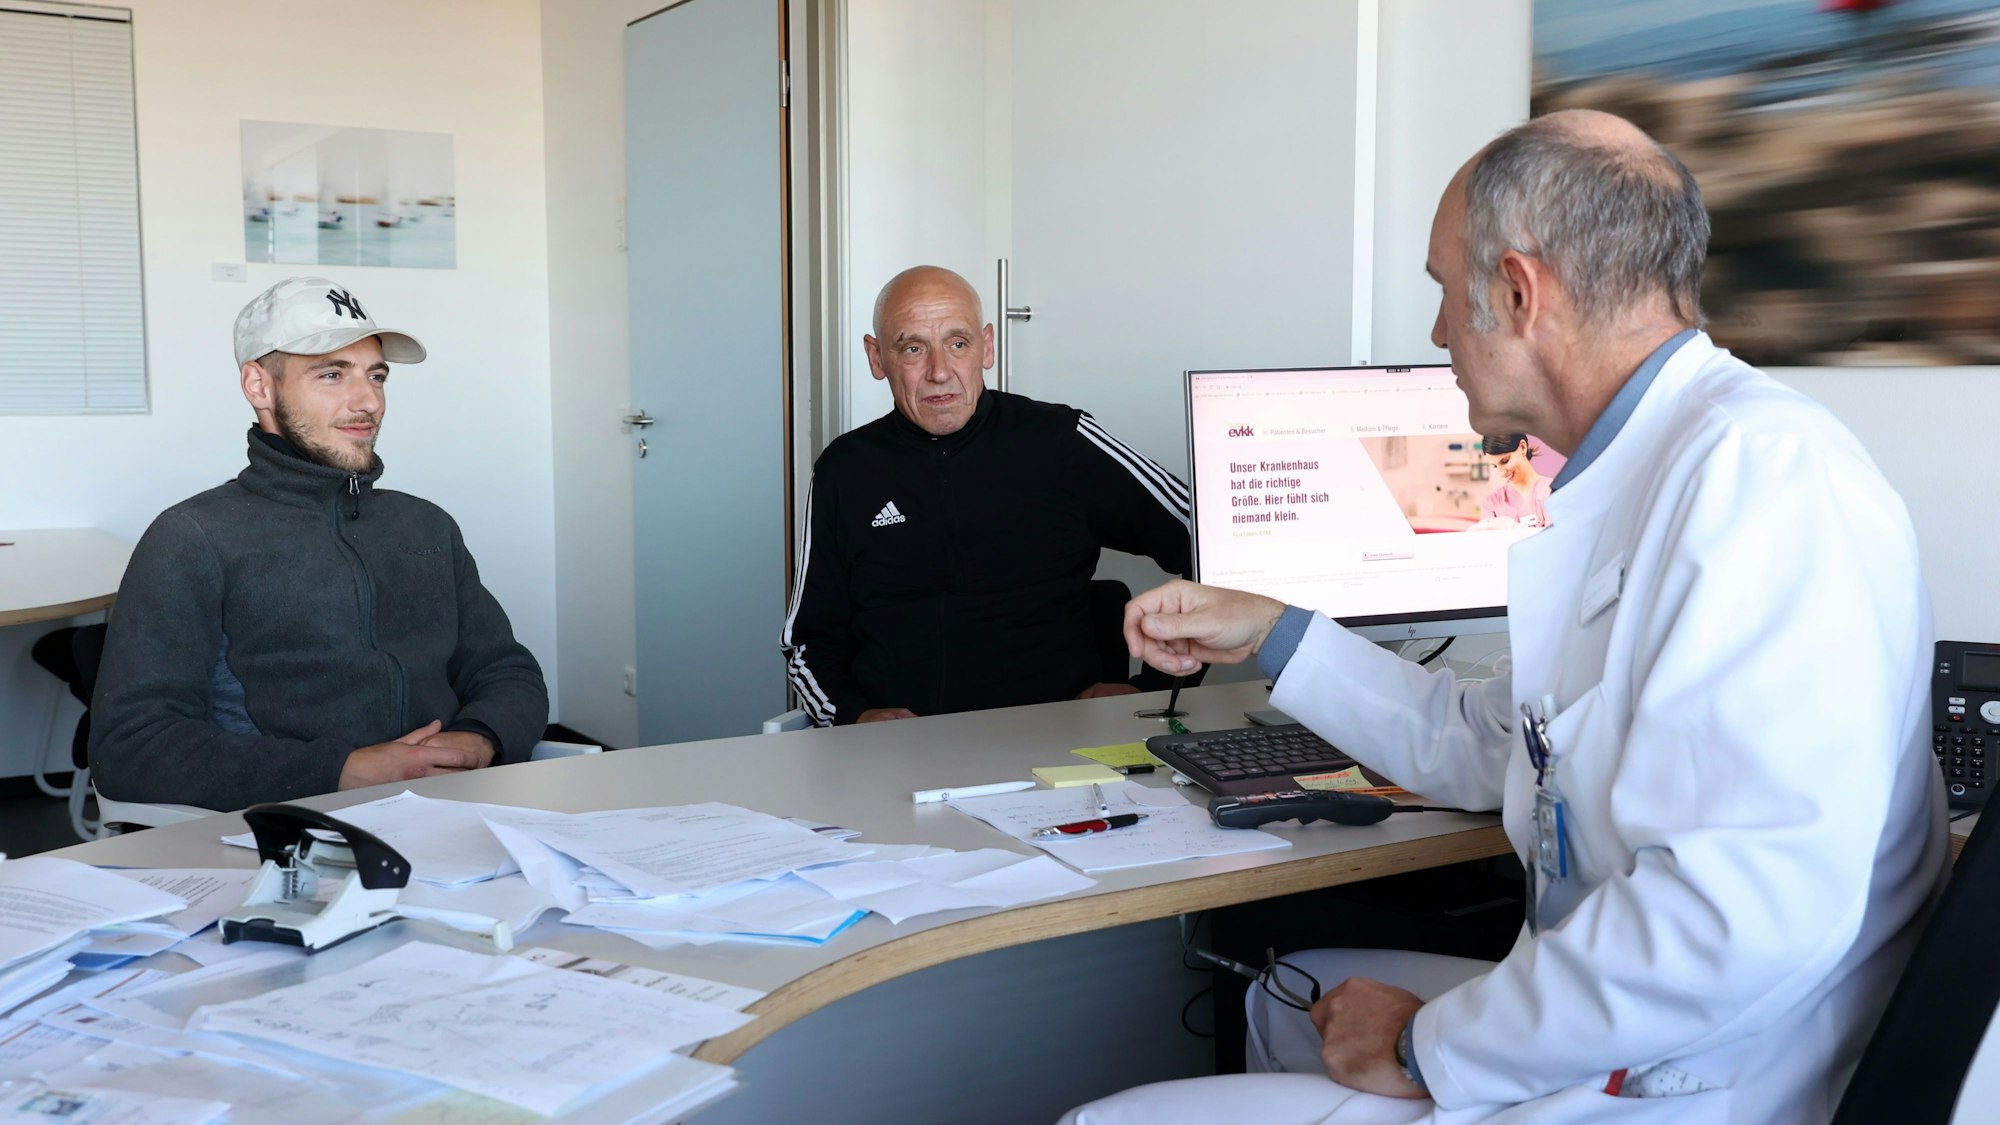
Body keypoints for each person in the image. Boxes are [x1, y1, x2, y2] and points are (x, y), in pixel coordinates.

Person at [1067, 110, 1945, 1123]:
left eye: (1443, 290)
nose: (1438, 332)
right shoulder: (1641, 474)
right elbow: (1494, 746)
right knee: (1282, 998)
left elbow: (1733, 923)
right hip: (1632, 1021)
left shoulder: (1766, 482)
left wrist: (1418, 1044)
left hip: (1701, 1077)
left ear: (1518, 293)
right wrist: (1273, 628)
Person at [90, 277, 549, 810]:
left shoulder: (425, 525)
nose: (368, 401)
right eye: (332, 374)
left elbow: (506, 671)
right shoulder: (194, 537)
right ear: (259, 386)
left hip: (457, 808)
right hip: (291, 831)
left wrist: (479, 738)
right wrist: (342, 770)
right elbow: (130, 747)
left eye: (376, 376)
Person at [781, 265, 1191, 725]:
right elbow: (809, 640)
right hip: (898, 755)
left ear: (987, 346)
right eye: (913, 348)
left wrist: (1153, 690)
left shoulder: (1061, 440)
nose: (939, 371)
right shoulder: (845, 469)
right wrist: (854, 717)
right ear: (877, 359)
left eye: (958, 343)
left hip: (1059, 745)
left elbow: (1207, 535)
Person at [1476, 433, 1551, 527]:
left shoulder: (1552, 491)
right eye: (1495, 466)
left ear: (1523, 447)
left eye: (1505, 461)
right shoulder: (1492, 503)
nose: (1501, 473)